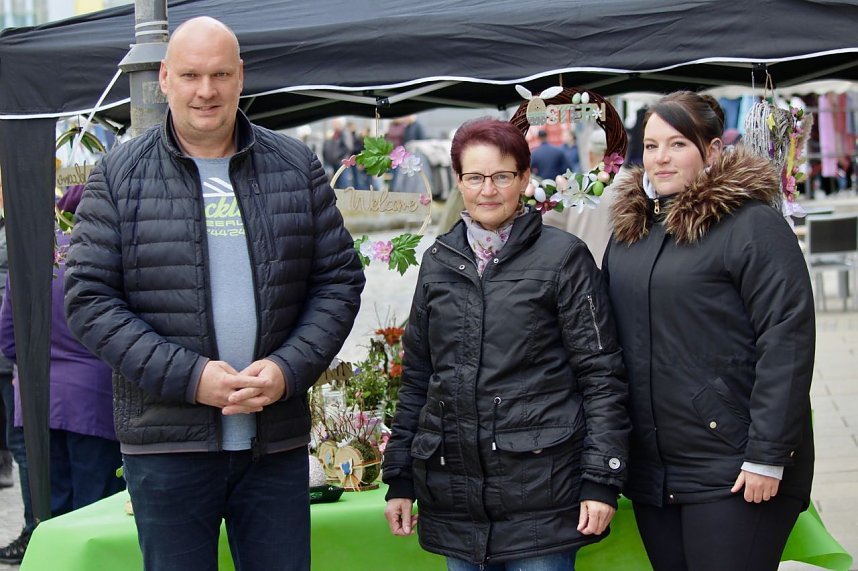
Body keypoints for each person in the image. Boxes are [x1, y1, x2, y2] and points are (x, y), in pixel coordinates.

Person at [64, 16, 365, 571]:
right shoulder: (119, 174)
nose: (206, 90)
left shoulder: (294, 165)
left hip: (273, 444)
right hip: (168, 446)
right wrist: (191, 377)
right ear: (165, 78)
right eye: (191, 75)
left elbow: (338, 280)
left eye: (221, 74)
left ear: (240, 76)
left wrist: (288, 369)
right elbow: (89, 299)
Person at [382, 117, 630, 570]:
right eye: (475, 177)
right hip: (456, 499)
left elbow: (601, 376)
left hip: (542, 495)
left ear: (524, 178)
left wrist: (601, 478)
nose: (488, 190)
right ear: (459, 181)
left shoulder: (563, 258)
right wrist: (399, 476)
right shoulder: (438, 262)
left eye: (502, 176)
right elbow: (418, 377)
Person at [603, 91, 815, 571]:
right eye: (651, 146)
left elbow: (788, 338)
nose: (660, 157)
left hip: (735, 464)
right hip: (657, 472)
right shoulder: (631, 234)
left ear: (713, 150)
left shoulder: (752, 226)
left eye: (677, 144)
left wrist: (767, 455)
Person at [0, 184, 125, 529]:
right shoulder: (110, 252)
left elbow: (8, 338)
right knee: (94, 514)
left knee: (51, 511)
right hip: (94, 398)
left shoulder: (32, 251)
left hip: (38, 400)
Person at [544, 129, 616, 267]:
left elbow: (547, 222)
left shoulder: (574, 185)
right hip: (621, 271)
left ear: (590, 155)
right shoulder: (635, 185)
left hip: (582, 268)